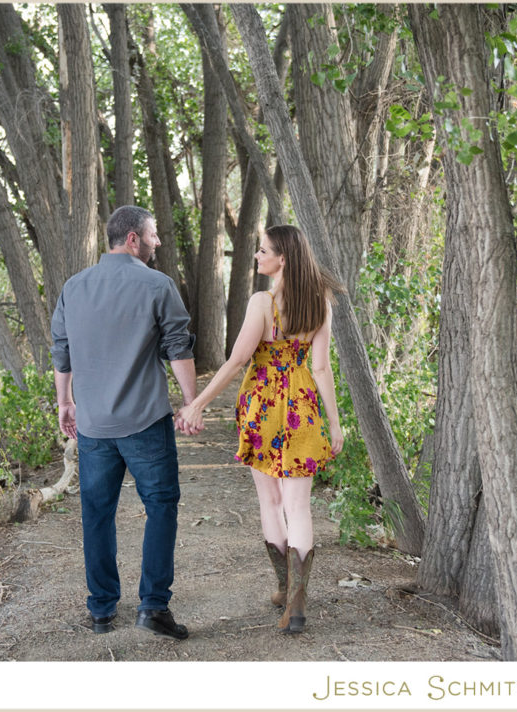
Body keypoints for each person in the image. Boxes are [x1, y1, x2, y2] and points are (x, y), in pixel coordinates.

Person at [177, 224, 344, 634]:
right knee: (299, 507)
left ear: (282, 258)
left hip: (263, 408)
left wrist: (198, 403)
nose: (256, 255)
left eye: (263, 250)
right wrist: (334, 424)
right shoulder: (320, 301)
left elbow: (236, 361)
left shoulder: (263, 303)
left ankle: (287, 589)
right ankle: (297, 602)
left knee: (270, 502)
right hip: (303, 407)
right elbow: (320, 367)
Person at [51, 205, 201, 640]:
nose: (157, 242)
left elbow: (62, 350)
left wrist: (65, 402)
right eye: (153, 235)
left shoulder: (74, 287)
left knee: (96, 515)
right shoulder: (158, 285)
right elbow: (178, 348)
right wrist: (191, 403)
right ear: (132, 238)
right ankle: (153, 607)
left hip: (94, 426)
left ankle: (101, 610)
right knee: (161, 508)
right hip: (145, 423)